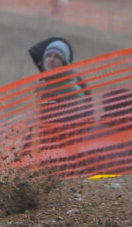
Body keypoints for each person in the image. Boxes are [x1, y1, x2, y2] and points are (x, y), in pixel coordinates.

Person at [28, 37, 93, 175]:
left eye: (56, 56)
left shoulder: (72, 88)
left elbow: (80, 127)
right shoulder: (42, 86)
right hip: (41, 153)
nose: (51, 60)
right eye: (48, 56)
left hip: (63, 159)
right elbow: (35, 123)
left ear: (65, 62)